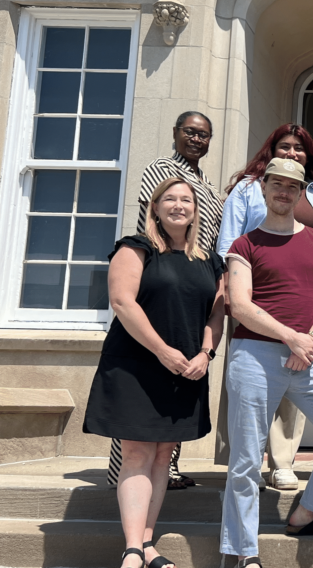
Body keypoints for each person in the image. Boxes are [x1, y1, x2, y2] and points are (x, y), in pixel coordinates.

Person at [221, 158, 313, 568]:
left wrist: (311, 340)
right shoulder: (244, 245)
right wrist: (292, 338)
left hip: (310, 354)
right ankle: (244, 552)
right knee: (246, 458)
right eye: (277, 184)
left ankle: (309, 509)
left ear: (303, 193)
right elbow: (240, 306)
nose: (285, 192)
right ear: (264, 189)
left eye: (293, 186)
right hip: (255, 354)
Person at [83, 177, 225, 568]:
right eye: (170, 199)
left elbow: (217, 313)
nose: (179, 206)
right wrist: (163, 351)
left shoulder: (209, 260)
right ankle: (130, 550)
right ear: (156, 207)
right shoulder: (136, 247)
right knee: (138, 453)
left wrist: (205, 353)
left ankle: (146, 542)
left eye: (186, 200)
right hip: (138, 366)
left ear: (196, 209)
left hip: (186, 367)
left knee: (164, 456)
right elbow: (123, 302)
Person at [106, 111, 224, 491]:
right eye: (190, 132)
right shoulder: (162, 168)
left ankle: (167, 467)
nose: (197, 139)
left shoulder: (206, 182)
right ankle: (122, 472)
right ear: (175, 133)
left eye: (204, 135)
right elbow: (153, 213)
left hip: (192, 276)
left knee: (178, 384)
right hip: (164, 271)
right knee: (142, 389)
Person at [215, 123, 313, 491]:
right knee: (254, 383)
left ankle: (283, 460)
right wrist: (229, 287)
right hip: (255, 298)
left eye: (299, 149)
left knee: (296, 385)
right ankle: (248, 459)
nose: (292, 153)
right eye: (285, 146)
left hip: (303, 306)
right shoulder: (249, 188)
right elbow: (229, 242)